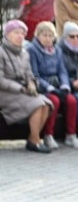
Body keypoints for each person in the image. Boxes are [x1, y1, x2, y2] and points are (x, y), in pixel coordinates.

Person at [1, 19, 55, 153]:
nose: (20, 36)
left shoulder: (24, 53)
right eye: (16, 33)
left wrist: (32, 83)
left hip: (23, 90)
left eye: (22, 34)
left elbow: (30, 74)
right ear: (7, 35)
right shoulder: (1, 52)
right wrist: (20, 88)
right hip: (6, 92)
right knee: (37, 105)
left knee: (46, 104)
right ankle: (35, 141)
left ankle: (32, 138)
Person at [27, 21, 78, 149]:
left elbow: (62, 70)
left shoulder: (57, 50)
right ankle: (48, 135)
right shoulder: (32, 50)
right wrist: (49, 88)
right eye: (44, 35)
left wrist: (65, 86)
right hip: (42, 85)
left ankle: (71, 135)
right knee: (54, 101)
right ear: (37, 35)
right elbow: (35, 74)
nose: (48, 39)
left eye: (51, 35)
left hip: (58, 84)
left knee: (72, 100)